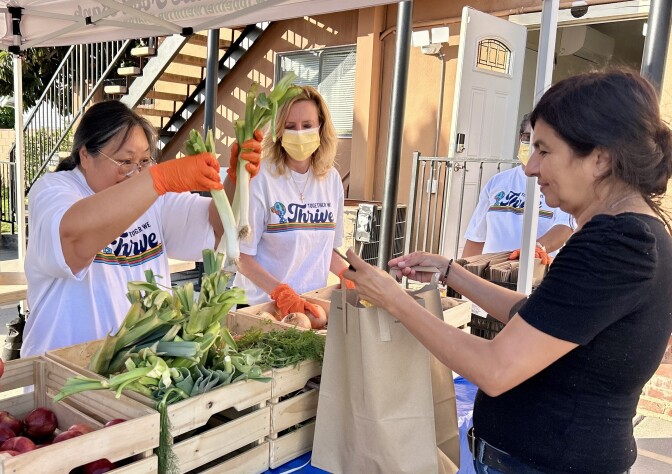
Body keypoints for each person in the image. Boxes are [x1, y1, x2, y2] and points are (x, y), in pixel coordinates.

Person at [343, 69, 672, 474]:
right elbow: (539, 316)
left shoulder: (617, 242)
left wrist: (393, 298)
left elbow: (494, 369)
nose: (531, 168)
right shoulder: (638, 233)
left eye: (544, 151)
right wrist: (451, 271)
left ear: (600, 158)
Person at [23, 101, 261, 357]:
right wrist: (158, 178)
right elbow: (73, 240)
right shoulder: (54, 191)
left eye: (145, 160)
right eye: (125, 161)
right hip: (61, 370)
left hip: (138, 372)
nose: (136, 172)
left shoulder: (153, 200)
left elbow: (216, 229)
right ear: (85, 155)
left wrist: (236, 178)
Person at [227, 85, 350, 317]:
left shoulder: (331, 179)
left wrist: (346, 274)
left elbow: (327, 248)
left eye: (307, 126)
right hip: (260, 307)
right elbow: (241, 256)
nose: (299, 133)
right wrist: (280, 293)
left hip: (309, 307)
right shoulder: (261, 177)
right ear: (278, 131)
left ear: (321, 127)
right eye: (290, 126)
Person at [462, 114, 574, 264]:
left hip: (536, 275)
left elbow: (564, 228)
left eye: (539, 141)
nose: (532, 144)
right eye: (527, 137)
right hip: (492, 274)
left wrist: (535, 249)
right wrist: (461, 273)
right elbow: (476, 238)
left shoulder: (560, 184)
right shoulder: (497, 182)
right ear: (519, 139)